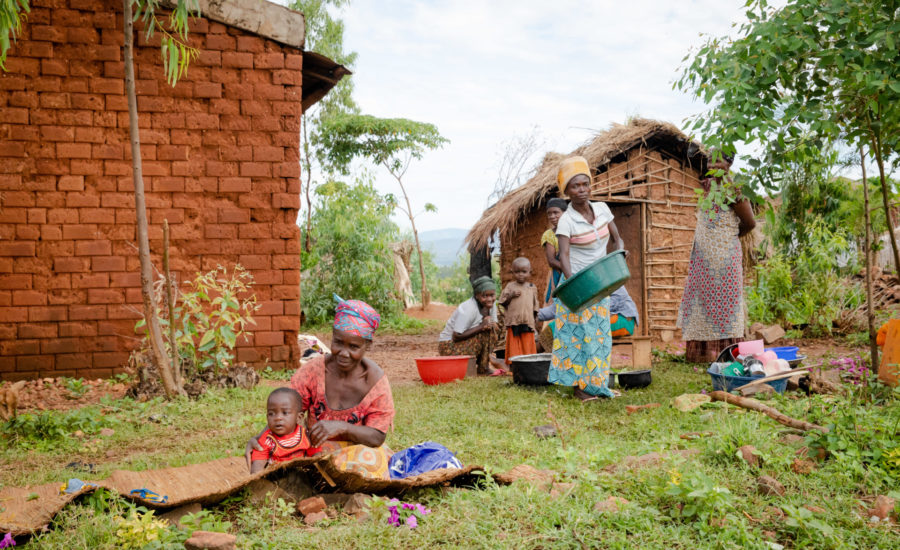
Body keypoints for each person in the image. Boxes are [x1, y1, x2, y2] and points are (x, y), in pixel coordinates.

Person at [246, 295, 396, 479]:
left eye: (354, 347)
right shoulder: (313, 371)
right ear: (332, 336)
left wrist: (342, 427)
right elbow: (287, 410)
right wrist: (261, 440)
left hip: (358, 453)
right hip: (313, 451)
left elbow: (377, 437)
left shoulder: (376, 383)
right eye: (338, 343)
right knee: (288, 457)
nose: (343, 353)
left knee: (372, 461)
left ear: (368, 345)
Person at [549, 156, 627, 402]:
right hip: (578, 287)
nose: (582, 190)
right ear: (567, 191)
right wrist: (576, 286)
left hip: (600, 285)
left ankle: (597, 386)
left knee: (601, 337)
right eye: (575, 186)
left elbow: (617, 238)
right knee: (579, 338)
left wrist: (619, 256)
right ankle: (580, 389)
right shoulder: (566, 220)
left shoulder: (603, 209)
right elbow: (564, 255)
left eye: (585, 184)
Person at [677, 152, 756, 363]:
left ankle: (725, 355)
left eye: (718, 161)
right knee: (701, 302)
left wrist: (725, 238)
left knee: (726, 303)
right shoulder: (707, 186)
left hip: (725, 255)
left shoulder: (734, 189)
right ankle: (702, 355)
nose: (712, 164)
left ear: (729, 164)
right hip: (703, 257)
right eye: (710, 160)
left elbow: (750, 223)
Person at [438, 276, 507, 375]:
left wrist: (490, 325)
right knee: (483, 333)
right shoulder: (468, 309)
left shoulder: (491, 305)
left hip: (466, 341)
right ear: (476, 296)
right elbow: (456, 336)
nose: (489, 299)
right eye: (485, 296)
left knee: (491, 330)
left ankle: (484, 366)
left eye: (492, 295)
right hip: (448, 346)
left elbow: (494, 325)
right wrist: (481, 326)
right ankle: (482, 367)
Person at [249, 388, 317, 473]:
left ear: (299, 418)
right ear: (267, 417)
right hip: (277, 477)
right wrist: (257, 480)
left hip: (302, 473)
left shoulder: (305, 435)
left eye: (285, 413)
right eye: (271, 414)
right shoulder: (267, 440)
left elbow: (316, 455)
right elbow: (258, 464)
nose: (278, 418)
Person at [499, 257, 540, 365]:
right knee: (514, 344)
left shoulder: (532, 287)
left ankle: (529, 365)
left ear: (530, 272)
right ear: (512, 272)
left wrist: (535, 316)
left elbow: (535, 304)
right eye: (517, 272)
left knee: (528, 344)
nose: (520, 274)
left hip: (527, 321)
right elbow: (502, 302)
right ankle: (515, 366)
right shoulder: (510, 286)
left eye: (524, 272)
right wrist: (510, 296)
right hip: (514, 322)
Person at [541, 198, 568, 302]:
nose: (552, 216)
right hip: (560, 274)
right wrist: (570, 271)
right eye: (549, 214)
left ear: (565, 213)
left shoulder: (574, 229)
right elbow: (551, 261)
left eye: (556, 212)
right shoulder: (549, 235)